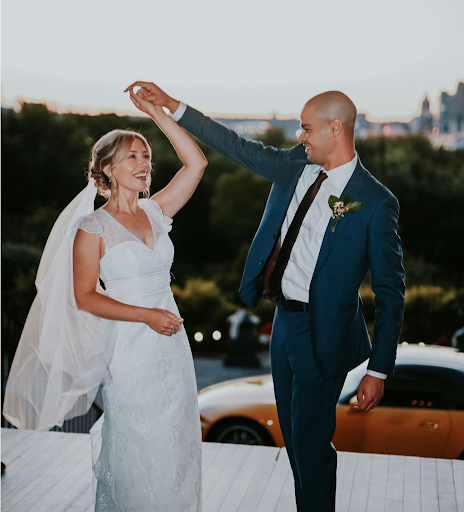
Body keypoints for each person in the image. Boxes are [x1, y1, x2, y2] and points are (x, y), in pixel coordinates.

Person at [124, 81, 405, 512]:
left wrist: (378, 371)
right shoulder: (294, 164)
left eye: (307, 128)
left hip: (325, 334)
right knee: (295, 441)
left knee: (311, 446)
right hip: (283, 325)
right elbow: (233, 144)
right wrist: (170, 105)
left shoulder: (375, 202)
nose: (300, 136)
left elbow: (390, 292)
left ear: (335, 128)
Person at [3, 89, 207, 512]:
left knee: (177, 442)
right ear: (109, 170)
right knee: (139, 440)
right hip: (129, 348)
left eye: (146, 156)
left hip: (171, 347)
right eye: (132, 156)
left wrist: (156, 113)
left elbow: (197, 163)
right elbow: (85, 297)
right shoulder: (91, 228)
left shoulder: (156, 212)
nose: (144, 163)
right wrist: (147, 315)